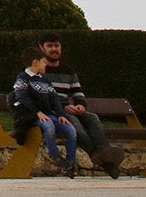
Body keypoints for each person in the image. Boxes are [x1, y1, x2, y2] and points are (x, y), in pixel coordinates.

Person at [40, 33, 125, 178]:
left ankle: (103, 152)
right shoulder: (40, 71)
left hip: (69, 109)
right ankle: (105, 160)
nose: (54, 49)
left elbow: (77, 93)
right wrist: (63, 109)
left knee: (92, 118)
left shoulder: (69, 71)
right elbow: (41, 99)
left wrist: (80, 105)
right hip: (54, 111)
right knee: (74, 123)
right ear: (41, 48)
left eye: (57, 46)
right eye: (50, 46)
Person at [13, 47, 78, 177]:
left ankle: (71, 163)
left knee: (71, 129)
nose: (46, 64)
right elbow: (22, 97)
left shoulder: (45, 81)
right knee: (49, 127)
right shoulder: (23, 78)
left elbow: (54, 99)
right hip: (32, 117)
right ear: (35, 62)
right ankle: (56, 158)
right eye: (43, 62)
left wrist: (60, 115)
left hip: (48, 115)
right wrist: (37, 112)